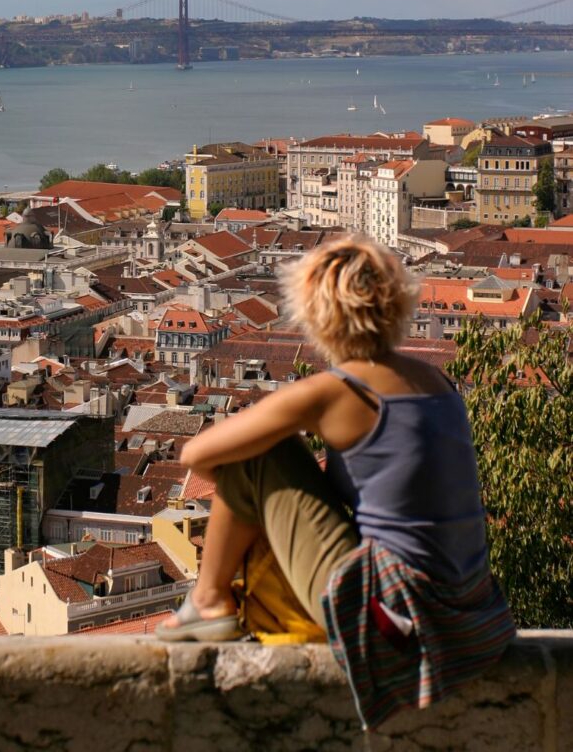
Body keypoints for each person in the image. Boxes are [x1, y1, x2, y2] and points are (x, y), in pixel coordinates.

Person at [157, 234, 515, 730]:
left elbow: (197, 455)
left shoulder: (338, 390)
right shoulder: (438, 383)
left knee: (261, 453)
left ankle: (210, 599)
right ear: (398, 304)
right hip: (471, 615)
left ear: (315, 314)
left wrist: (264, 501)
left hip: (397, 620)